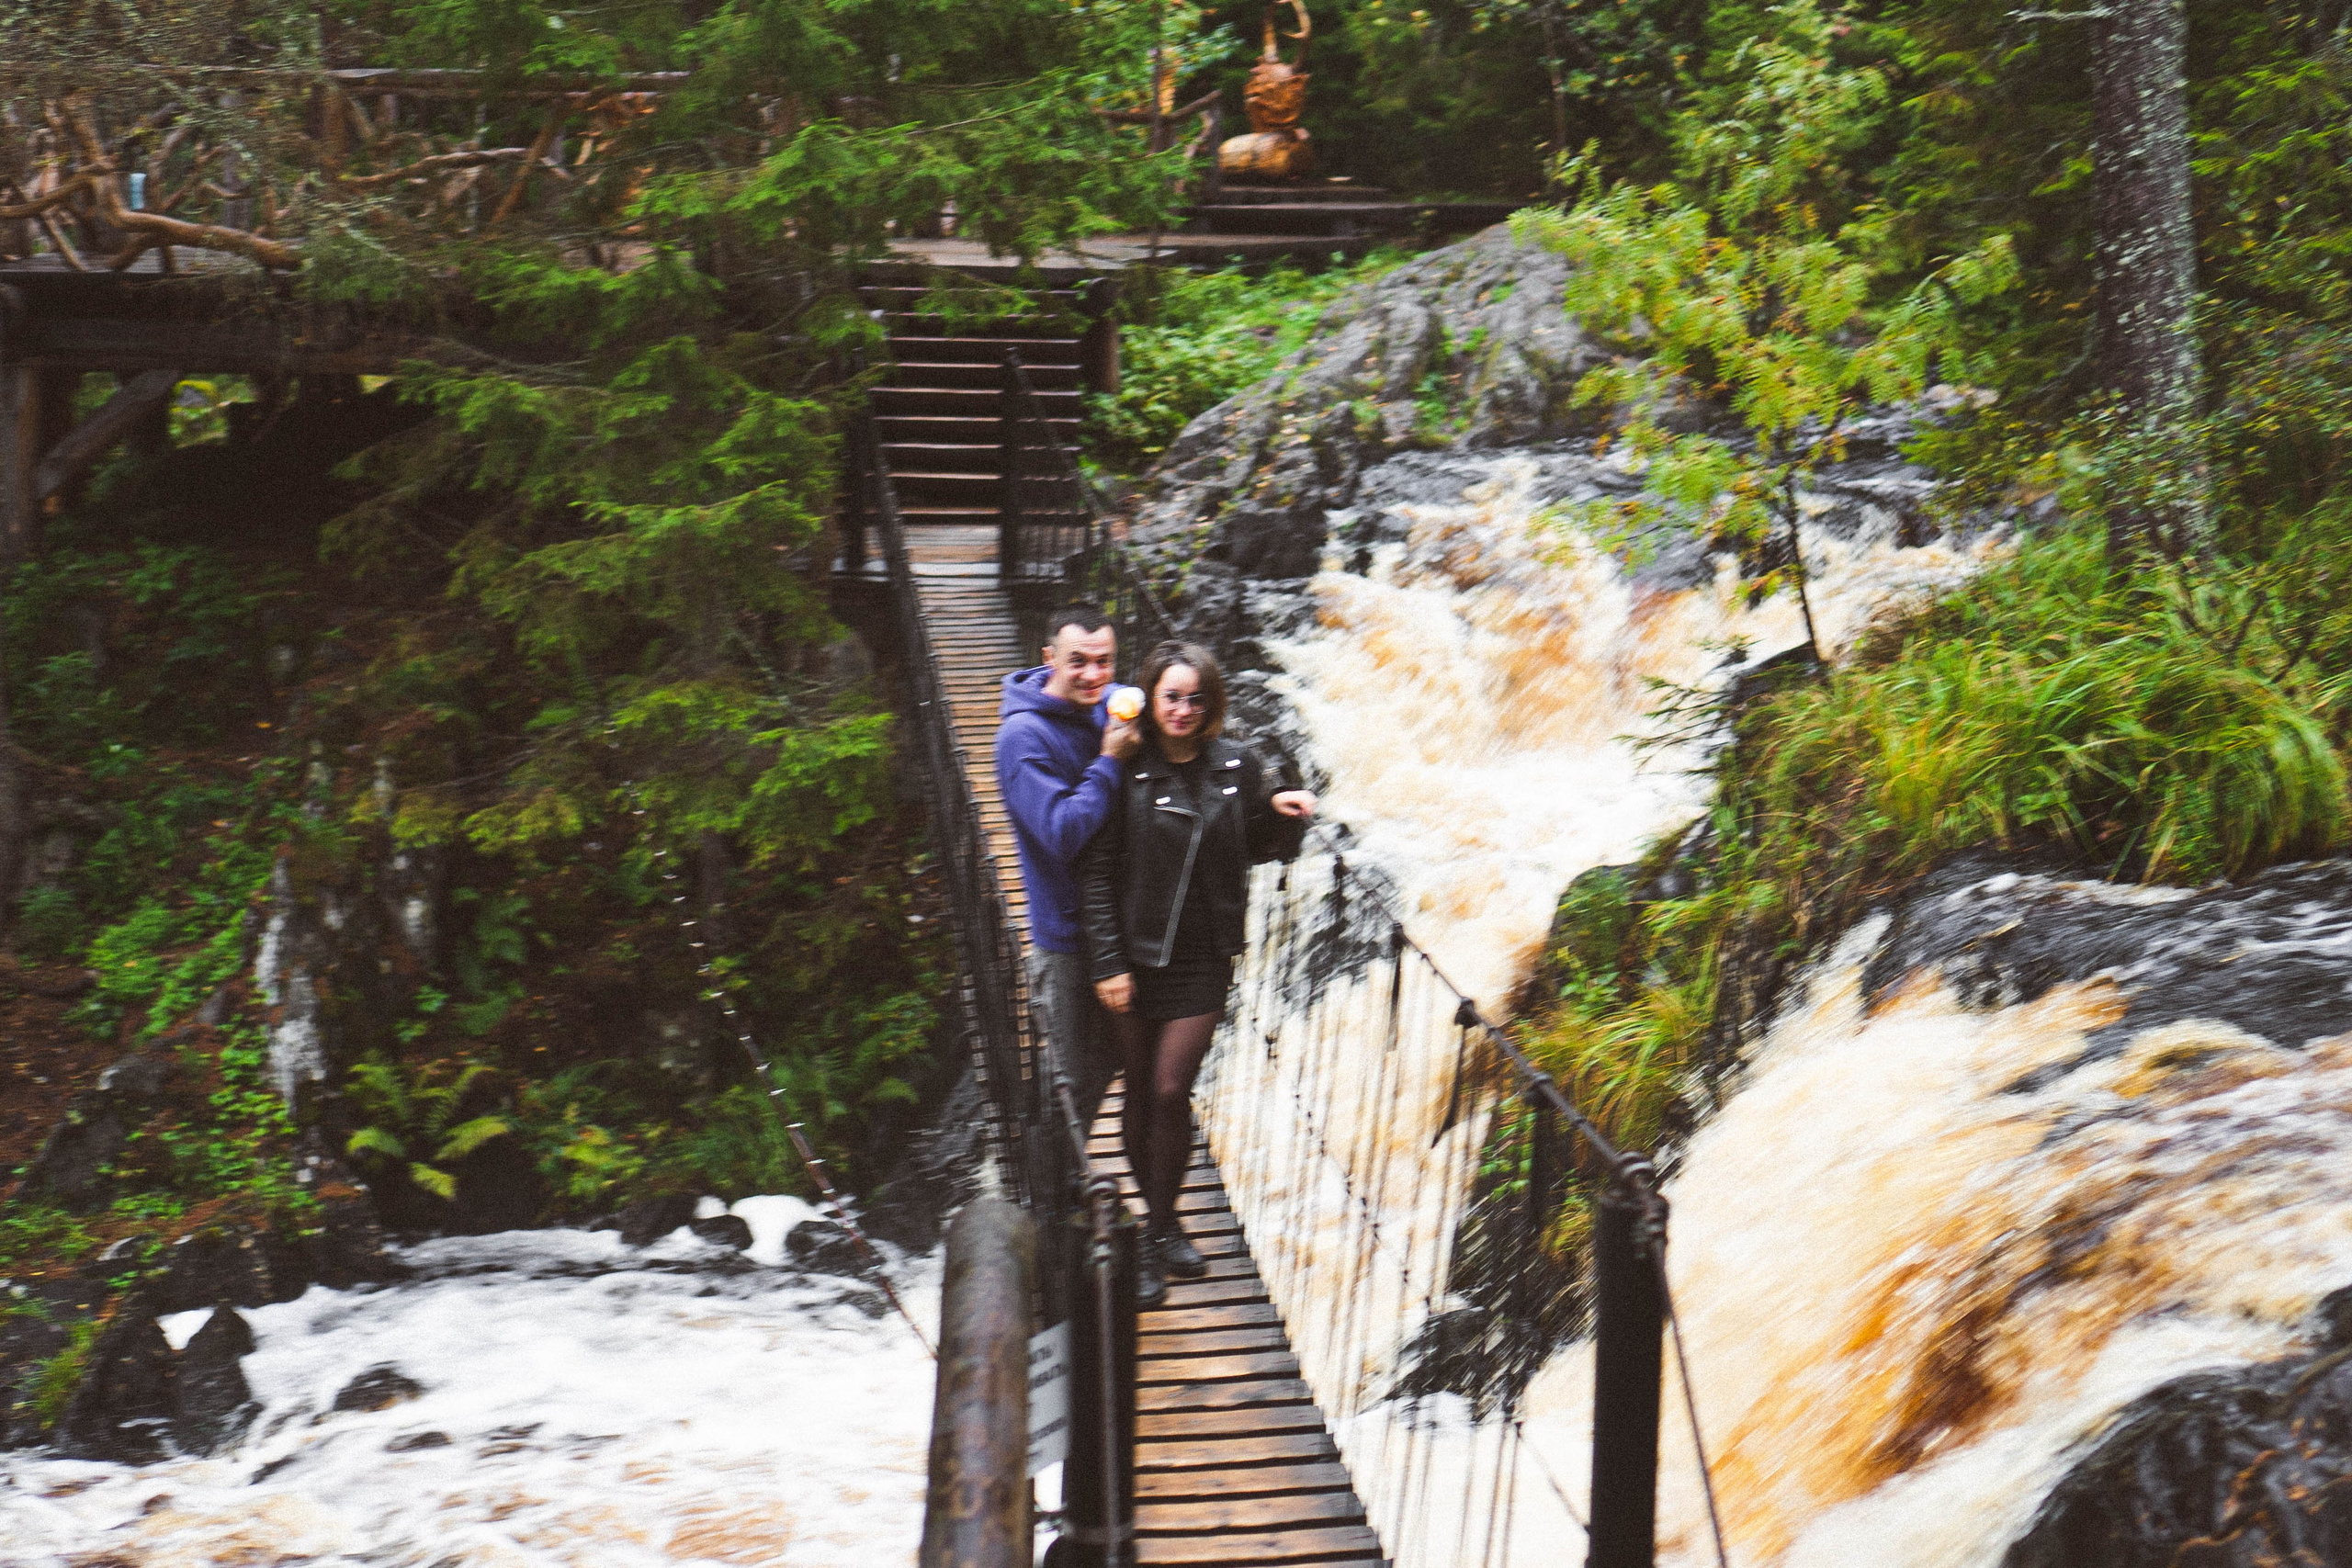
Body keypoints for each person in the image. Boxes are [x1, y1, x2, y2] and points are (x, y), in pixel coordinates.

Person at [1080, 641, 1317, 1305]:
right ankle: (1158, 1226)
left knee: (1167, 1088)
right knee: (1136, 1091)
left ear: (1211, 704)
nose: (1182, 710)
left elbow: (1255, 847)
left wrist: (1283, 815)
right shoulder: (1126, 767)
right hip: (1131, 958)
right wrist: (1107, 963)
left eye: (1195, 698)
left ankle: (1158, 1225)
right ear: (1151, 699)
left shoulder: (1237, 764)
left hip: (1202, 956)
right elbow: (1095, 872)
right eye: (1171, 697)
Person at [997, 604, 1143, 1138]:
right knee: (1068, 1085)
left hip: (1119, 925)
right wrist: (1109, 760)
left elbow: (1189, 737)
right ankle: (1049, 1208)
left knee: (1108, 1069)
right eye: (1077, 662)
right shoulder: (1022, 738)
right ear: (1049, 658)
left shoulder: (1111, 703)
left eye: (1104, 662)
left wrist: (1266, 792)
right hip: (1066, 937)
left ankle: (1073, 1195)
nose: (1093, 676)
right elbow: (1061, 831)